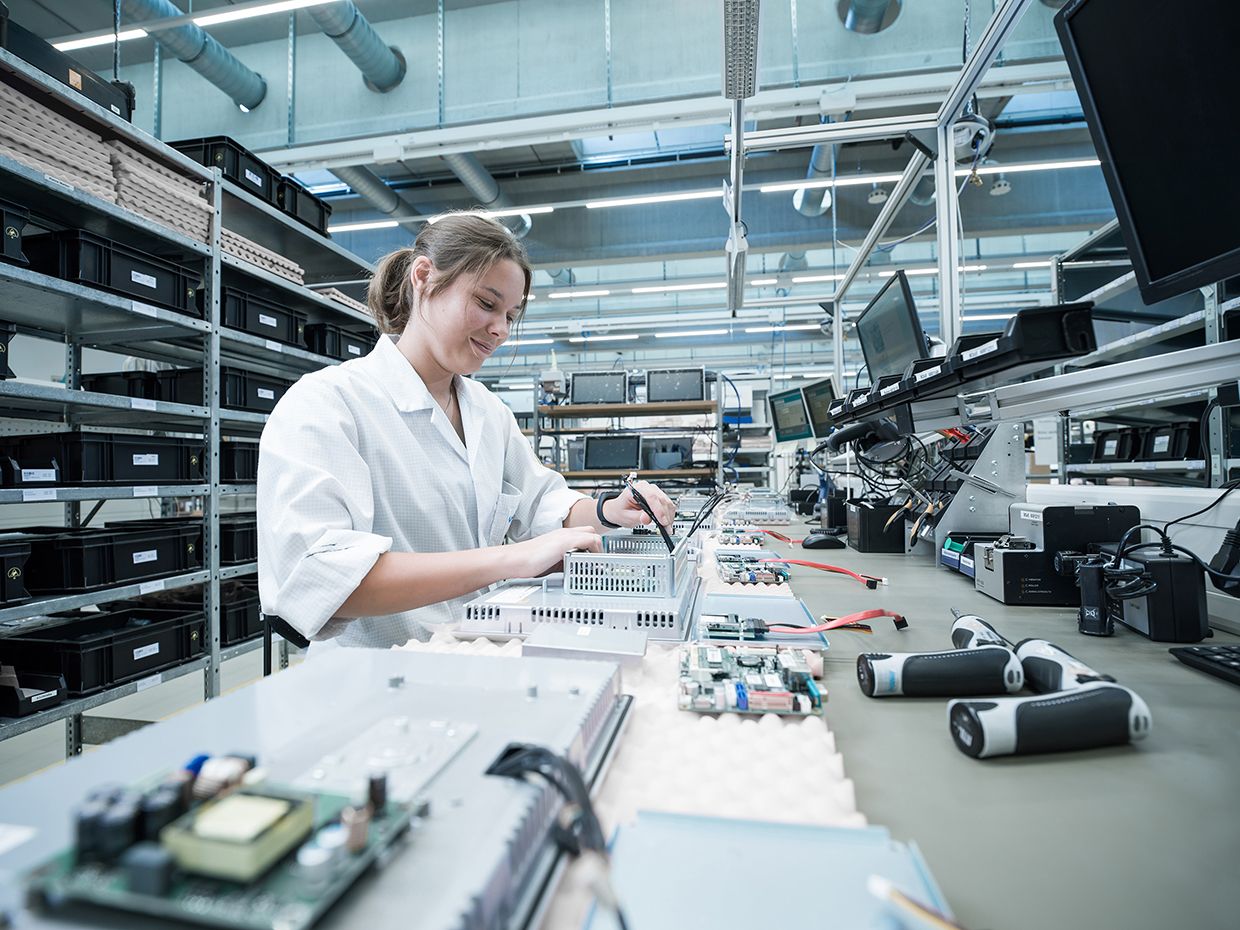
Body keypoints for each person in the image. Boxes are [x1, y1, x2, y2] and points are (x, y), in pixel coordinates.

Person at [257, 213, 676, 648]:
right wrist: (509, 560)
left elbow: (540, 504)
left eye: (511, 315)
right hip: (374, 681)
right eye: (486, 303)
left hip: (480, 653)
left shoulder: (487, 413)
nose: (500, 330)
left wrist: (610, 509)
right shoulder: (329, 404)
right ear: (423, 277)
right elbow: (327, 580)